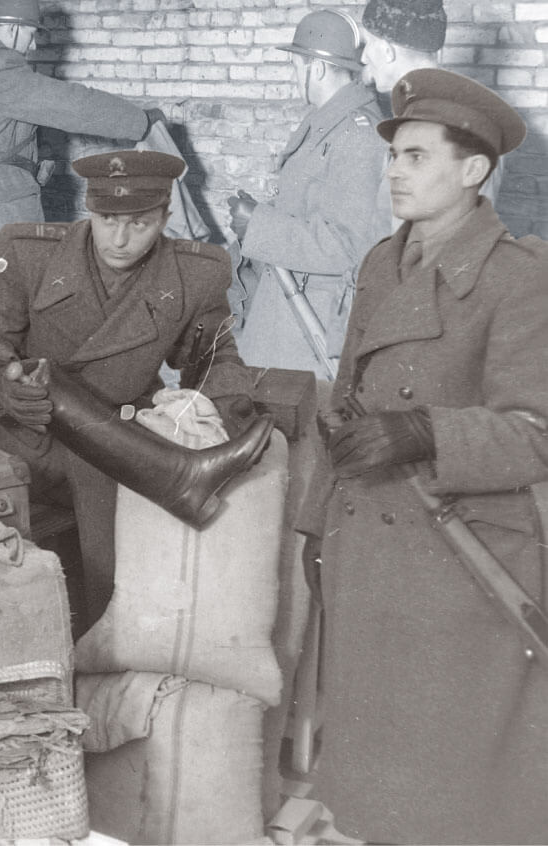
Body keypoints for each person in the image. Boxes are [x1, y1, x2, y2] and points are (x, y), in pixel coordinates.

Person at [297, 69, 548, 844]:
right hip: (367, 551)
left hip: (458, 569)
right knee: (371, 777)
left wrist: (424, 432)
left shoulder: (519, 279)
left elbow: (536, 430)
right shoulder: (382, 261)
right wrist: (314, 527)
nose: (395, 172)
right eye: (394, 157)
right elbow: (345, 395)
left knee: (449, 791)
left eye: (415, 156)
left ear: (473, 171)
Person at [0, 150, 269, 631]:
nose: (120, 239)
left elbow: (212, 360)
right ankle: (180, 478)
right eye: (107, 220)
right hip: (34, 440)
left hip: (124, 447)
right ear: (88, 212)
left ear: (165, 217)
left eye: (139, 224)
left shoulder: (195, 274)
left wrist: (224, 415)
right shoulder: (27, 252)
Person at [0, 0, 167, 318]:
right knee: (0, 312)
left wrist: (41, 152)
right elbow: (72, 105)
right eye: (31, 34)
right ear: (13, 28)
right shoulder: (1, 67)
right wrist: (139, 120)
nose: (33, 44)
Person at [227, 10, 386, 378]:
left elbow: (345, 245)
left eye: (296, 65)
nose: (294, 75)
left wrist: (257, 225)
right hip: (288, 302)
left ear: (316, 68)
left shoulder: (358, 135)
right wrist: (260, 213)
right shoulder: (326, 120)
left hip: (311, 321)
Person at [359, 0, 502, 227]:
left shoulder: (451, 121)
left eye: (368, 44)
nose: (364, 57)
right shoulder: (421, 110)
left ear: (387, 51)